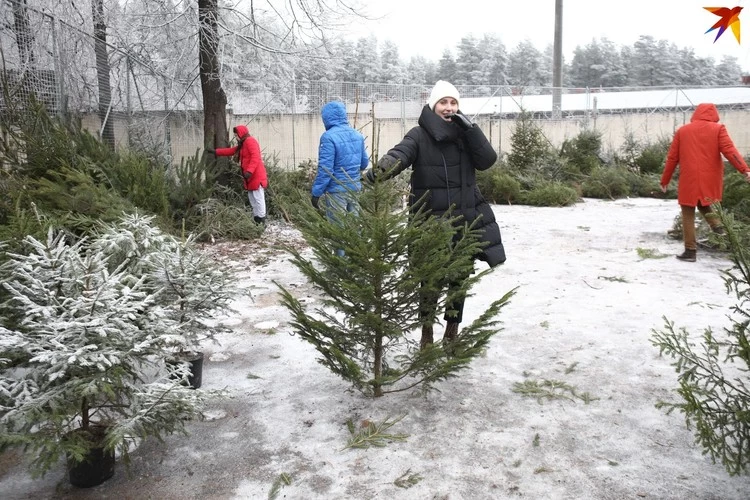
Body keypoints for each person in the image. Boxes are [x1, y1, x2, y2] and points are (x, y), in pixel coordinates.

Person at [367, 80, 505, 349]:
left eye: (454, 103)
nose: (449, 107)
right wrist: (379, 172)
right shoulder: (419, 135)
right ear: (433, 105)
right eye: (444, 102)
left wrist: (471, 129)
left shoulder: (466, 136)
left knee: (459, 279)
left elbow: (487, 160)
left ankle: (452, 332)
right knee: (429, 281)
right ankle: (427, 333)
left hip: (464, 221)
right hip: (430, 224)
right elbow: (401, 154)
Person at [660, 102, 750, 262]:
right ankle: (723, 235)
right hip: (710, 178)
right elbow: (730, 151)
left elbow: (672, 158)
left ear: (696, 114)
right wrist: (745, 170)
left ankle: (690, 251)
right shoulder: (718, 129)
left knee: (688, 212)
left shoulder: (683, 131)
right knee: (705, 204)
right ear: (714, 115)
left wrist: (665, 179)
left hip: (689, 179)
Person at [311, 100, 370, 255]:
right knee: (353, 225)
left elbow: (326, 169)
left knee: (338, 229)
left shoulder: (328, 137)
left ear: (326, 118)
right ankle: (355, 260)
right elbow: (364, 163)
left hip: (337, 190)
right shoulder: (357, 135)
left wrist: (316, 192)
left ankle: (340, 265)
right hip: (355, 187)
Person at [208, 125, 268, 225]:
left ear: (241, 134)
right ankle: (257, 220)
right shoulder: (243, 144)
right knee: (253, 200)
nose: (236, 137)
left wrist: (249, 171)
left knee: (258, 199)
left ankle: (261, 221)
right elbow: (231, 151)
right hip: (249, 177)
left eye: (236, 135)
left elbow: (255, 157)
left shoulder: (250, 141)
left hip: (255, 176)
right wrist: (215, 151)